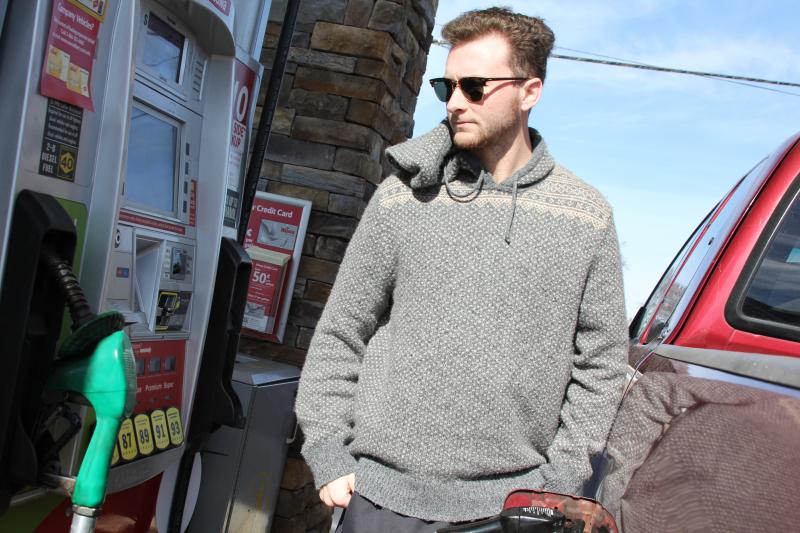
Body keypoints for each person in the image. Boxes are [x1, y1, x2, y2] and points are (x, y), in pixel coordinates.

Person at [295, 6, 628, 531]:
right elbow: (341, 330)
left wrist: (557, 483)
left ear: (529, 92)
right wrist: (329, 450)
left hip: (508, 509)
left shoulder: (585, 215)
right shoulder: (403, 197)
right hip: (379, 498)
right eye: (445, 87)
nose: (455, 103)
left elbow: (602, 365)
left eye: (474, 87)